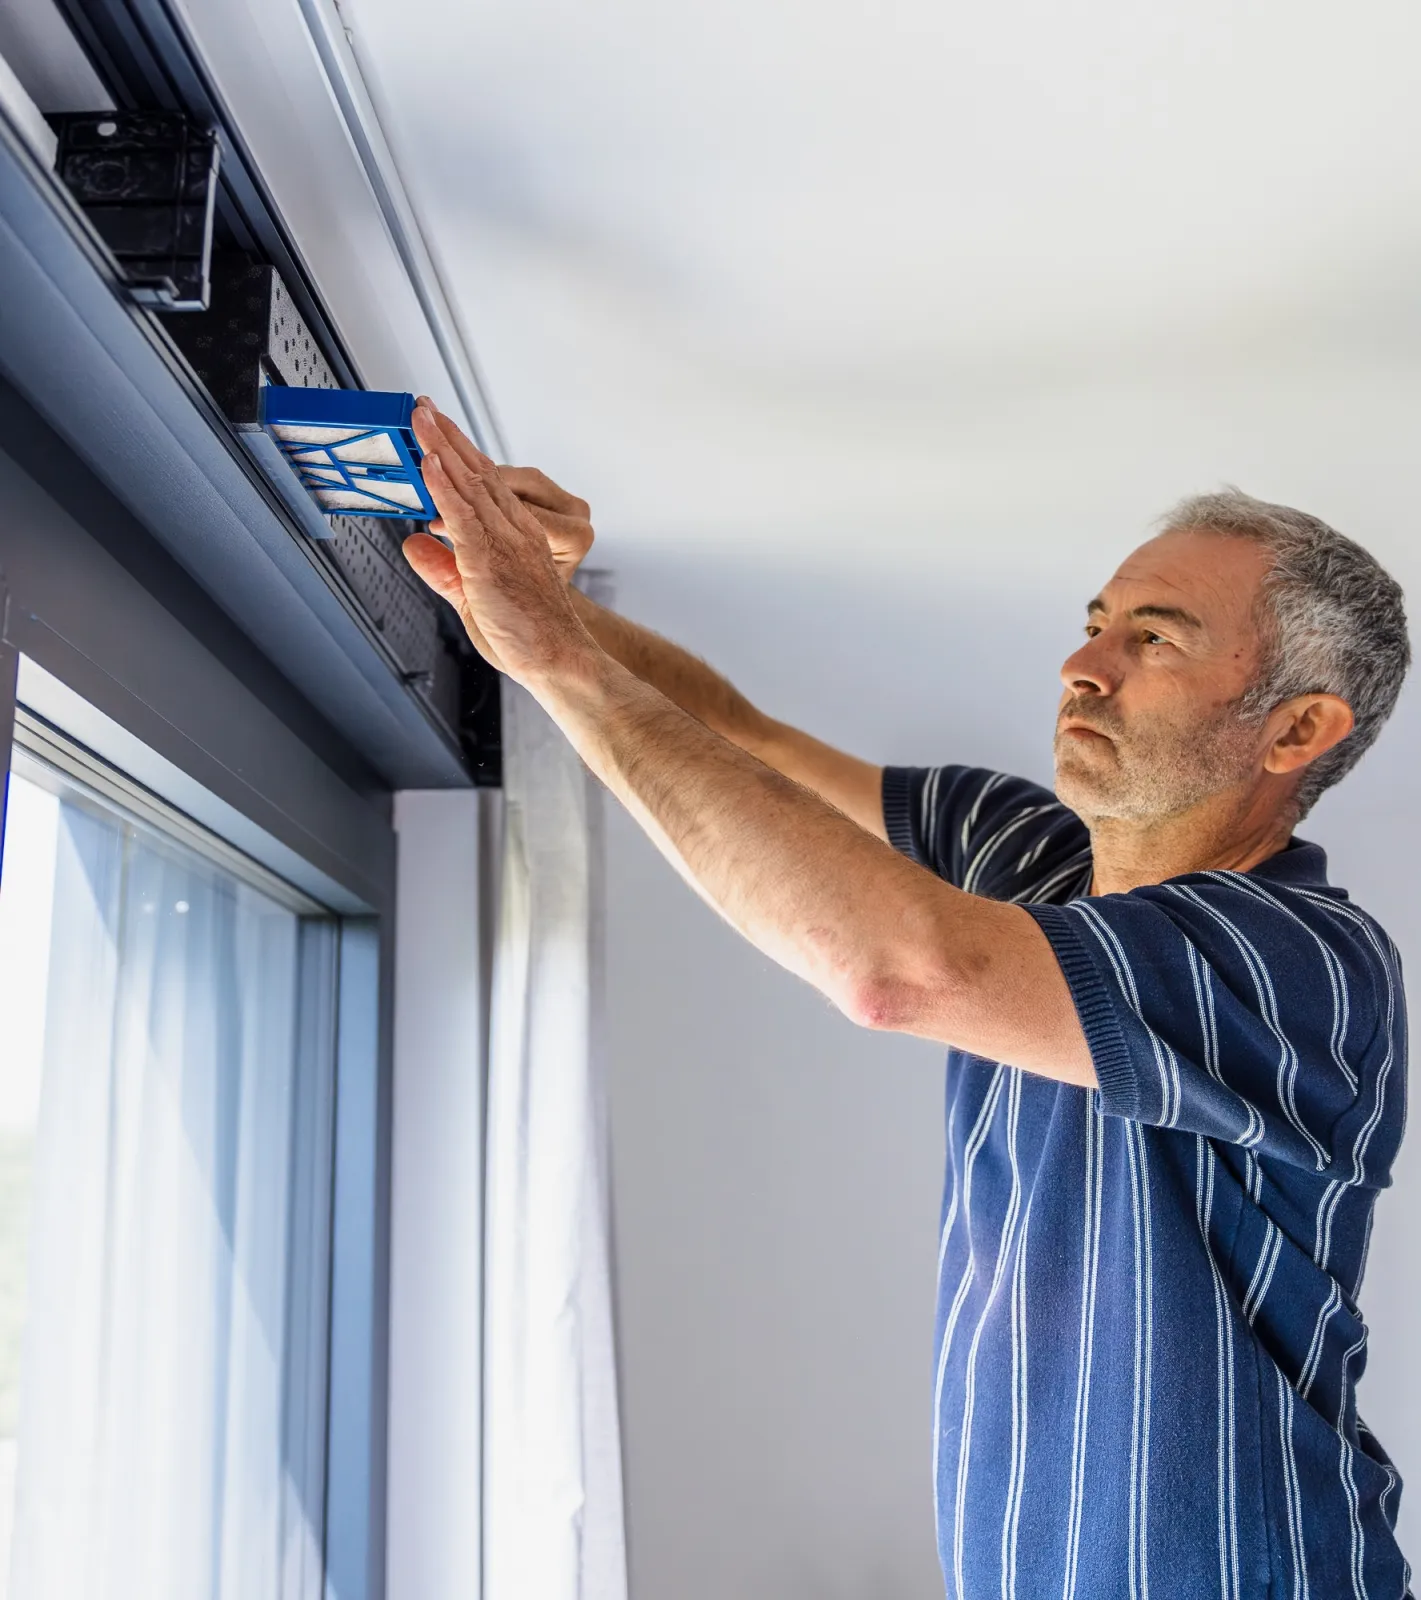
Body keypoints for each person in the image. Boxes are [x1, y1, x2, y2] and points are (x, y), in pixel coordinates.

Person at [402, 397, 1411, 1600]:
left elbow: (899, 969)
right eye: (1094, 624)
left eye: (1154, 639)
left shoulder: (1300, 962)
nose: (1081, 666)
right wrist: (551, 602)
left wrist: (553, 658)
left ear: (1293, 729)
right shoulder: (1017, 853)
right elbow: (737, 741)